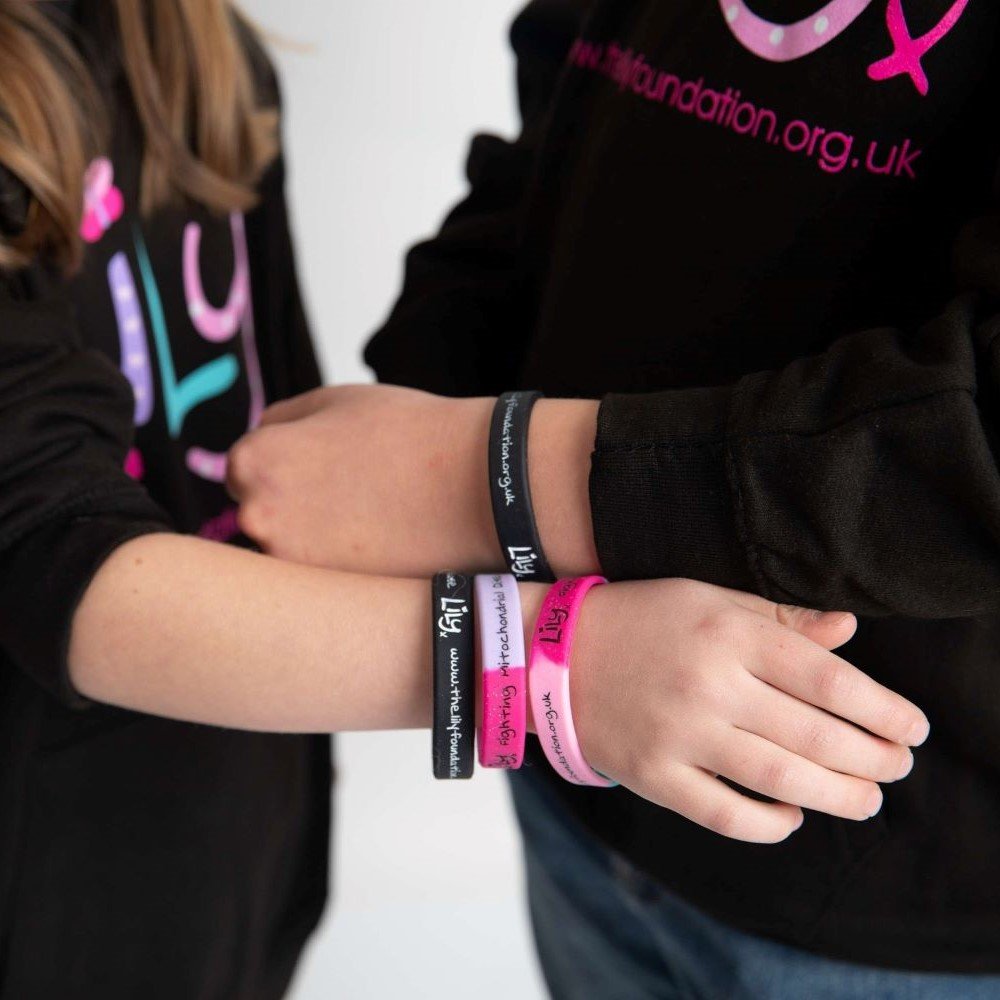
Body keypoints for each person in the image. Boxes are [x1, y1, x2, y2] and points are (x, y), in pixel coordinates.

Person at [0, 3, 926, 997]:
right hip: (51, 879)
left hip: (232, 833)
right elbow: (50, 552)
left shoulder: (181, 33)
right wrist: (550, 668)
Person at [230, 0, 1000, 996]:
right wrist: (428, 379)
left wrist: (466, 478)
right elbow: (569, 103)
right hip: (576, 776)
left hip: (887, 886)